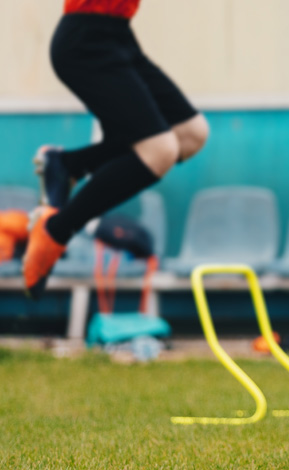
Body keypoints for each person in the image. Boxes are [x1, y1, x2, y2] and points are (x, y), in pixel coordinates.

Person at [24, 0, 209, 298]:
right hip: (84, 41)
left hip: (120, 37)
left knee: (191, 133)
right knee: (159, 150)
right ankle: (55, 230)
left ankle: (69, 164)